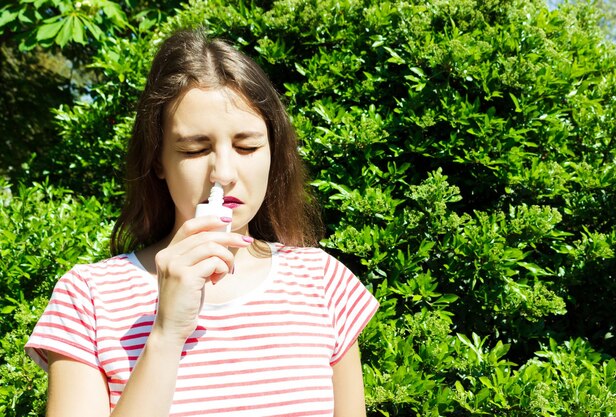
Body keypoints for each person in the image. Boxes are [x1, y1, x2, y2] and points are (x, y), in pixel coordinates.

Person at [25, 28, 379, 417]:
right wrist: (165, 333)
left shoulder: (323, 282)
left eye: (247, 146)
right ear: (158, 160)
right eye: (195, 149)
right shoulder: (88, 298)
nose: (223, 173)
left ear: (274, 152)